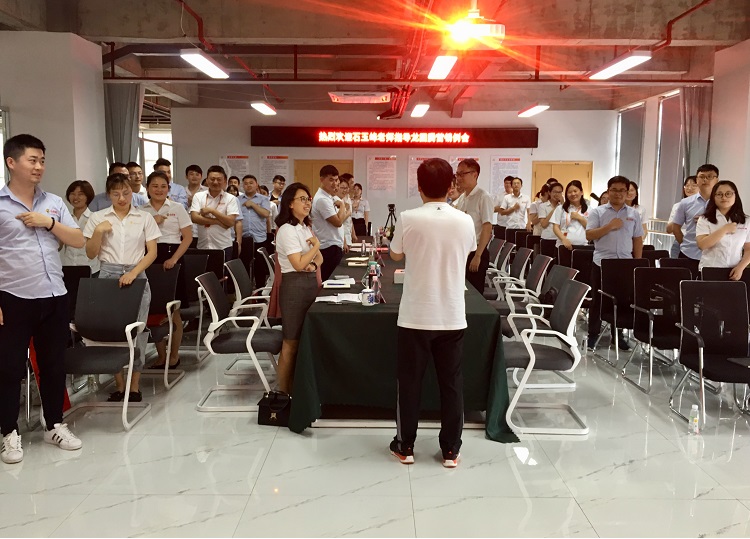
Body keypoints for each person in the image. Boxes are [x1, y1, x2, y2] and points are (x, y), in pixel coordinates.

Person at [0, 134, 85, 464]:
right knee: (9, 368)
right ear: (12, 162)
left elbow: (77, 239)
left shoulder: (53, 202)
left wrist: (48, 222)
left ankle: (54, 425)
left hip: (54, 294)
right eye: (32, 160)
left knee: (53, 365)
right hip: (13, 298)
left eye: (42, 161)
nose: (39, 167)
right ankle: (9, 432)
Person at [388, 158, 475, 468]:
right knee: (451, 384)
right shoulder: (465, 220)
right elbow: (468, 250)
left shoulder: (408, 217)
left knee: (410, 383)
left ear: (419, 186)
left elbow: (395, 254)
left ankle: (405, 446)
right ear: (451, 185)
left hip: (415, 314)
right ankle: (451, 449)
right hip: (452, 313)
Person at [84, 173, 160, 402]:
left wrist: (133, 273)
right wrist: (98, 232)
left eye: (126, 193)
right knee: (111, 330)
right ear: (108, 194)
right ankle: (119, 384)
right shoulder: (97, 217)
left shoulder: (144, 217)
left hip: (137, 273)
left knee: (138, 330)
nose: (122, 198)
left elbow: (152, 252)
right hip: (107, 274)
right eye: (116, 194)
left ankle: (134, 386)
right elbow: (90, 253)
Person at [140, 171, 193, 369]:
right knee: (153, 308)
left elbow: (187, 237)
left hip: (172, 256)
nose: (159, 190)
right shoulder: (141, 210)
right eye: (155, 186)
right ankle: (161, 355)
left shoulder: (177, 208)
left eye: (163, 186)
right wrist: (153, 222)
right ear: (148, 188)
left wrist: (174, 259)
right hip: (148, 257)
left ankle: (174, 355)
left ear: (169, 189)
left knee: (173, 309)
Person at [274, 183, 323, 393]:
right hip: (294, 288)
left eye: (308, 199)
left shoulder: (304, 227)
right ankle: (283, 393)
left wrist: (313, 263)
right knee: (291, 342)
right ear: (290, 204)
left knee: (302, 341)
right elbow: (298, 264)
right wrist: (316, 247)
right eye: (302, 199)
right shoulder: (287, 230)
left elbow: (319, 260)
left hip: (309, 285)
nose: (307, 203)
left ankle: (297, 389)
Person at [585, 176, 643, 351]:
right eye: (614, 190)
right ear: (608, 191)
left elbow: (637, 239)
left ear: (627, 192)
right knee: (598, 301)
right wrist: (609, 226)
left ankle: (617, 336)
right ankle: (593, 335)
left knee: (622, 301)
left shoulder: (633, 214)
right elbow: (589, 235)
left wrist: (637, 263)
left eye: (622, 190)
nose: (618, 194)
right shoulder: (598, 212)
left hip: (624, 264)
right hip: (602, 263)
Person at [696, 181, 750, 277]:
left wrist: (740, 268)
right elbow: (702, 245)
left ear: (735, 195)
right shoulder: (705, 219)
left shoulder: (746, 221)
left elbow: (748, 250)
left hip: (735, 270)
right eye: (719, 194)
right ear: (714, 197)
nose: (724, 197)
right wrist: (724, 230)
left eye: (728, 194)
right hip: (710, 269)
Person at [454, 158, 493, 293]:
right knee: (461, 292)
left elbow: (487, 227)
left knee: (474, 293)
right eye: (457, 174)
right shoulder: (463, 197)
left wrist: (478, 256)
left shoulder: (483, 197)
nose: (458, 178)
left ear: (474, 174)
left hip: (476, 252)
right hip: (462, 251)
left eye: (462, 174)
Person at [189, 165, 240, 261]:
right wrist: (217, 222)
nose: (215, 182)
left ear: (225, 181)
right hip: (203, 246)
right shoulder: (198, 196)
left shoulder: (231, 198)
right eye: (212, 179)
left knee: (223, 271)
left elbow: (230, 222)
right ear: (207, 180)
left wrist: (212, 211)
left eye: (219, 179)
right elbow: (194, 218)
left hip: (223, 247)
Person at [670, 164, 720, 262]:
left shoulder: (723, 202)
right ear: (697, 180)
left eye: (709, 176)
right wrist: (684, 243)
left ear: (717, 180)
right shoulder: (685, 203)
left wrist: (706, 221)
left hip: (714, 255)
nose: (705, 180)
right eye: (702, 177)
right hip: (688, 253)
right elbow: (675, 227)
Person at [311, 164, 347, 281]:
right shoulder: (322, 199)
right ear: (322, 180)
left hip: (333, 245)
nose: (335, 183)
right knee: (327, 282)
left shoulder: (329, 196)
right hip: (328, 247)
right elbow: (338, 222)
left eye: (336, 180)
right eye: (331, 180)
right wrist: (342, 205)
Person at [238, 174, 272, 288]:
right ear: (243, 186)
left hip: (259, 238)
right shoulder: (238, 200)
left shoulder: (263, 199)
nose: (248, 185)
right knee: (244, 266)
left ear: (256, 184)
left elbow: (266, 214)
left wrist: (252, 204)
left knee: (260, 266)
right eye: (246, 183)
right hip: (243, 238)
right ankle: (246, 291)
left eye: (251, 183)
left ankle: (260, 290)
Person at [60, 180, 100, 275]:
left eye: (80, 194)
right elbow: (59, 245)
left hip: (91, 269)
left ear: (88, 196)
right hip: (68, 267)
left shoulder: (95, 218)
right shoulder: (65, 218)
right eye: (72, 194)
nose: (76, 197)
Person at [552, 180, 589, 250]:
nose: (573, 194)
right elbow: (555, 227)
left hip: (582, 246)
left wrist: (580, 218)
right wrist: (564, 240)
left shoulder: (589, 209)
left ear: (581, 192)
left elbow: (591, 228)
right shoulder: (560, 208)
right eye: (569, 192)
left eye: (575, 191)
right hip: (563, 246)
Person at [667, 176, 698, 258]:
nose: (689, 188)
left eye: (694, 185)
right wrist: (680, 216)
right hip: (679, 242)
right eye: (687, 185)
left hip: (697, 243)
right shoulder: (678, 206)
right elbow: (668, 229)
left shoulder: (705, 205)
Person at [338, 178, 357, 244]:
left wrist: (353, 233)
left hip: (348, 233)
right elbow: (339, 221)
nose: (345, 190)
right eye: (343, 188)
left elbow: (350, 219)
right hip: (341, 237)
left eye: (346, 188)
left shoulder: (347, 198)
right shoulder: (337, 200)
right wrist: (348, 212)